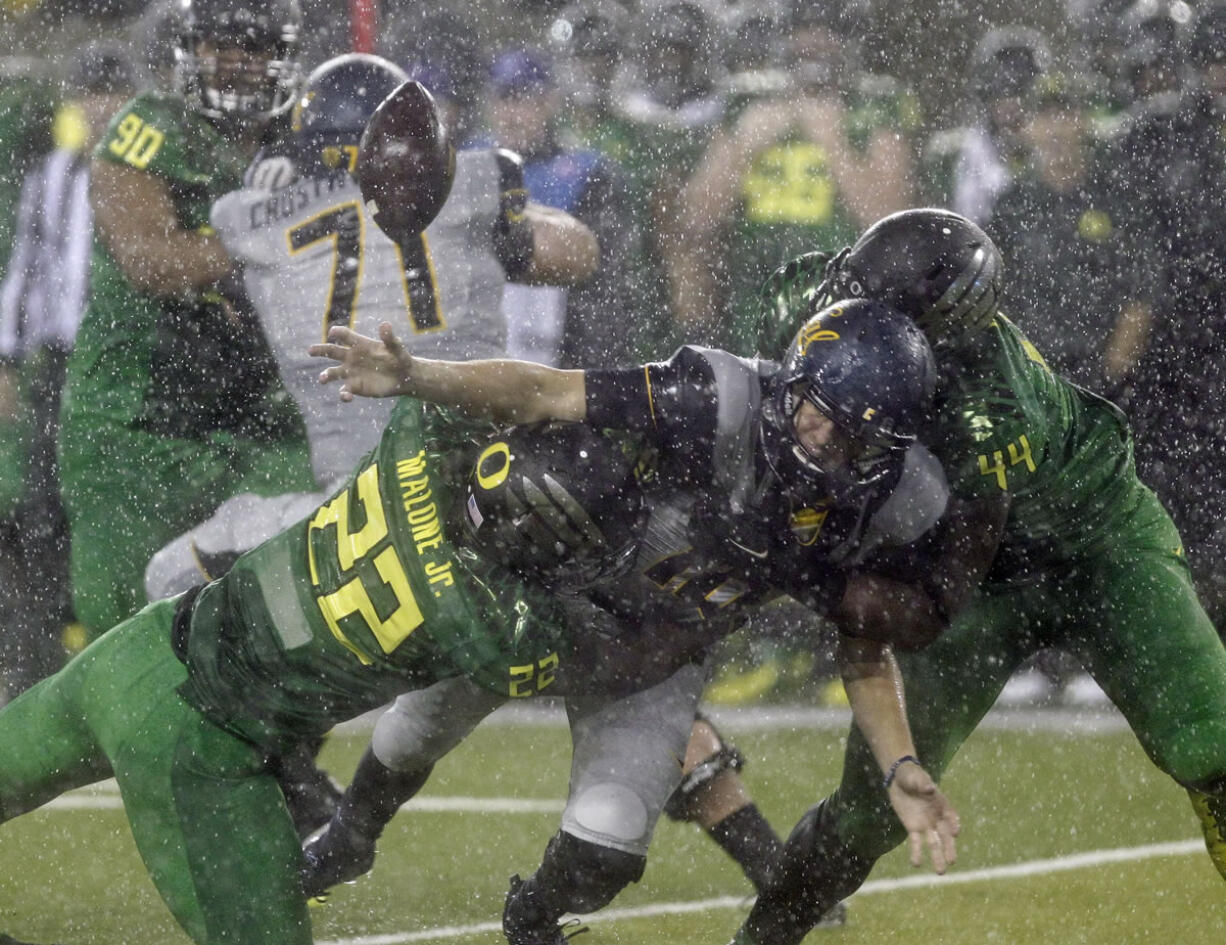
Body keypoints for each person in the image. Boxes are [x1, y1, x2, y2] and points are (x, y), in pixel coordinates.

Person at [305, 295, 961, 944]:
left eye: (856, 438)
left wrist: (899, 761)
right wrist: (416, 374)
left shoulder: (878, 504)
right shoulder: (717, 399)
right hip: (553, 602)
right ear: (792, 382)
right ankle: (345, 840)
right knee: (415, 729)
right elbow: (545, 391)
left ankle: (533, 915)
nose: (826, 443)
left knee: (608, 846)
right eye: (821, 415)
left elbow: (867, 652)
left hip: (653, 659)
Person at [723, 207, 1226, 945]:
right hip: (975, 561)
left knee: (1211, 744)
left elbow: (936, 597)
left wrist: (816, 576)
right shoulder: (807, 298)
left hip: (1090, 548)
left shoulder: (992, 411)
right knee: (868, 809)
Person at [57, 0, 316, 645]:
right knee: (125, 643)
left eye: (253, 48)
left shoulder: (308, 136)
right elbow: (150, 262)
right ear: (189, 52)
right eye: (219, 46)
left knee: (281, 624)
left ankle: (276, 747)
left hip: (262, 426)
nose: (234, 62)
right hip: (136, 429)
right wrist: (269, 230)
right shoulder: (148, 128)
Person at [0, 41, 140, 697]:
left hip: (124, 362)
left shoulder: (144, 174)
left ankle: (119, 658)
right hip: (61, 362)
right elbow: (26, 272)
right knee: (42, 511)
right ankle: (37, 667)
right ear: (78, 103)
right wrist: (6, 354)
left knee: (116, 506)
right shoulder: (51, 177)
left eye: (113, 93)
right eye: (92, 94)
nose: (102, 106)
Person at [670, 0, 919, 355]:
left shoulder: (877, 103)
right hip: (754, 301)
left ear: (848, 39)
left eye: (826, 29)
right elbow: (696, 219)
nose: (813, 42)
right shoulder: (748, 98)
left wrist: (834, 143)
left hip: (846, 304)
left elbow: (889, 221)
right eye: (803, 28)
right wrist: (745, 145)